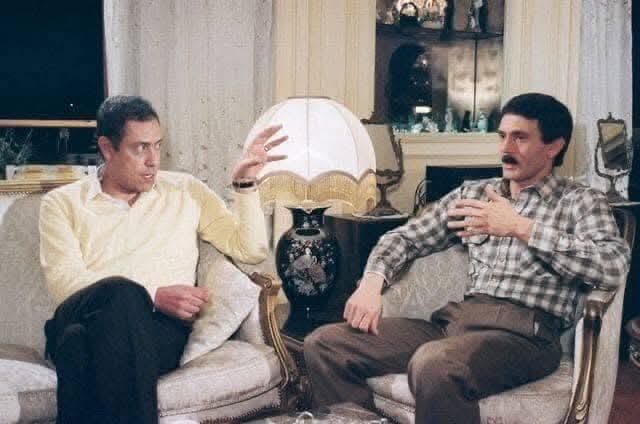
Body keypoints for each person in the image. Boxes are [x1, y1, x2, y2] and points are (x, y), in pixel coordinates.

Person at [304, 93, 631, 423]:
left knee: (436, 364)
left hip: (526, 335)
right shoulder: (473, 194)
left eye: (520, 138)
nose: (506, 148)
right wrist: (371, 284)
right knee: (326, 344)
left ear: (553, 147)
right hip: (455, 323)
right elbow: (404, 237)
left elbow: (612, 265)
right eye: (502, 136)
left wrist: (521, 227)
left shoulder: (579, 201)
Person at [39, 95, 287, 424]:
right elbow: (64, 283)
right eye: (140, 148)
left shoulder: (186, 190)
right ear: (107, 148)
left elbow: (250, 249)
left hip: (157, 330)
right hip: (82, 310)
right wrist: (152, 295)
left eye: (157, 146)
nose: (153, 160)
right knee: (121, 294)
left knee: (76, 345)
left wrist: (246, 184)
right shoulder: (62, 203)